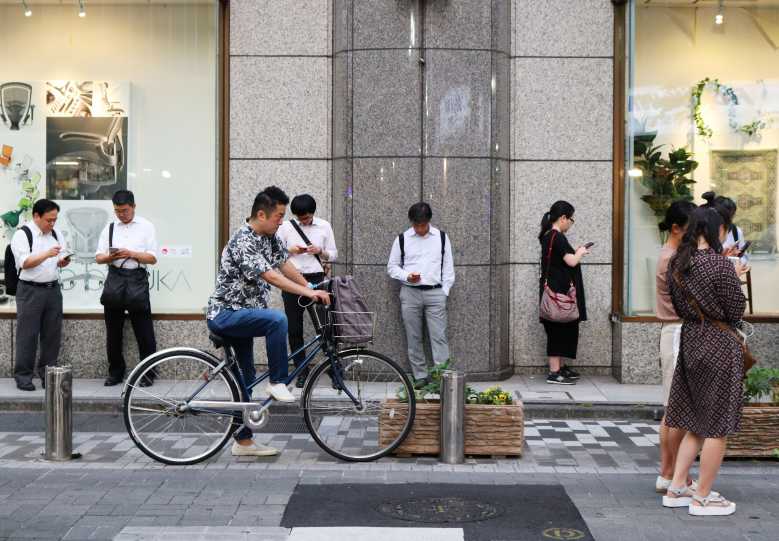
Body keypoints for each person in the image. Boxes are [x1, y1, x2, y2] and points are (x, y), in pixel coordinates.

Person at [206, 186, 330, 457]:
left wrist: (311, 286)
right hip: (226, 314)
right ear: (261, 214)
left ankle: (243, 442)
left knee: (246, 379)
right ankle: (277, 381)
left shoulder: (270, 237)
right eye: (279, 216)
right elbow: (271, 276)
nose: (282, 221)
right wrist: (308, 292)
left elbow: (285, 266)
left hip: (243, 315)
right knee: (277, 320)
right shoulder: (243, 240)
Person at [662, 207, 749, 516]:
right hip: (718, 343)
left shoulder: (678, 262)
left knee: (694, 421)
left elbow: (676, 303)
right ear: (715, 230)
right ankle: (702, 496)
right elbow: (735, 311)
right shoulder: (719, 265)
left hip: (691, 340)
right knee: (717, 426)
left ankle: (677, 487)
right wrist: (735, 278)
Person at [387, 202, 454, 388]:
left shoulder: (441, 237)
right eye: (416, 225)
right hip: (410, 293)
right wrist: (407, 276)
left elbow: (448, 267)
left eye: (423, 225)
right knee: (413, 337)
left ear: (429, 221)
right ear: (411, 222)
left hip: (435, 293)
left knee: (439, 336)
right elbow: (392, 267)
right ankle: (420, 377)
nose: (420, 229)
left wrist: (444, 291)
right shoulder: (402, 239)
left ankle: (442, 378)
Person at [654, 200, 697, 493]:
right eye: (691, 230)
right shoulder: (673, 258)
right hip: (677, 331)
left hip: (675, 331)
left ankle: (668, 473)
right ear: (675, 228)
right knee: (677, 410)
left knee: (674, 409)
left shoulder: (672, 254)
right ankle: (671, 474)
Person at [96, 190, 159, 387]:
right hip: (115, 278)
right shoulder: (110, 228)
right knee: (113, 330)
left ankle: (148, 372)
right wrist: (111, 257)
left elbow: (153, 257)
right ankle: (115, 372)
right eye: (117, 211)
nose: (121, 215)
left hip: (137, 279)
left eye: (124, 210)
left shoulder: (146, 226)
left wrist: (131, 253)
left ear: (133, 206)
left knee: (144, 330)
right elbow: (98, 257)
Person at [276, 194, 337, 388]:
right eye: (301, 218)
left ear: (313, 213)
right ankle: (302, 370)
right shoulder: (285, 227)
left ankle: (335, 369)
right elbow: (276, 254)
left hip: (317, 279)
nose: (304, 221)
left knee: (325, 327)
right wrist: (291, 250)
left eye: (307, 218)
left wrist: (320, 251)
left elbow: (334, 254)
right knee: (294, 329)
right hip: (292, 280)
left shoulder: (324, 226)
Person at [12, 199, 70, 391]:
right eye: (48, 220)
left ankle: (48, 375)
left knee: (51, 334)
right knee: (27, 334)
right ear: (36, 216)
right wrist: (47, 254)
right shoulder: (23, 234)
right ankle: (23, 376)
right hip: (30, 290)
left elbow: (60, 256)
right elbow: (25, 263)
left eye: (54, 220)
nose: (52, 224)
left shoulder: (56, 233)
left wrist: (63, 261)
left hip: (53, 289)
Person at [538, 201, 588, 385]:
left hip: (555, 291)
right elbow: (571, 261)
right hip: (558, 293)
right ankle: (554, 372)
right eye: (571, 219)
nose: (571, 223)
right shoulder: (556, 237)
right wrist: (581, 251)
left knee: (563, 329)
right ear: (563, 218)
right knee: (557, 331)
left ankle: (559, 367)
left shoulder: (548, 236)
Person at [702, 192, 748, 263]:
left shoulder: (736, 231)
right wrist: (723, 258)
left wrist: (735, 258)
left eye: (731, 216)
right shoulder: (702, 232)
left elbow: (744, 258)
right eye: (725, 216)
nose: (728, 220)